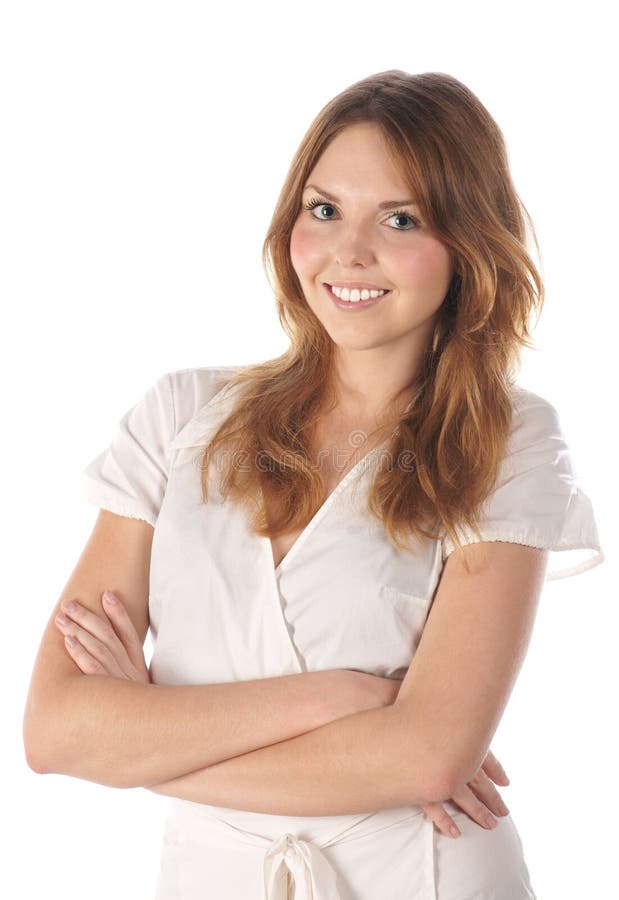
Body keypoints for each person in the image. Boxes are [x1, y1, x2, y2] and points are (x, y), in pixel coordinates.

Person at [24, 70, 604, 899]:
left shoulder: (502, 438)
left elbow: (427, 755)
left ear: (468, 246)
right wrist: (347, 698)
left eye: (399, 219)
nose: (347, 252)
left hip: (423, 877)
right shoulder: (180, 417)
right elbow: (56, 731)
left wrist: (140, 743)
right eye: (323, 209)